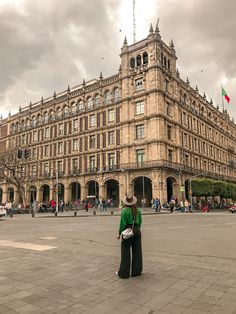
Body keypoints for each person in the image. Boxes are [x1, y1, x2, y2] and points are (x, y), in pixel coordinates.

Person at [116, 195, 142, 279]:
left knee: (125, 251)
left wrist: (119, 233)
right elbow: (140, 222)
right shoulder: (138, 210)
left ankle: (123, 273)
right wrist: (136, 230)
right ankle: (136, 271)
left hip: (128, 230)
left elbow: (122, 223)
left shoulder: (124, 210)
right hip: (137, 230)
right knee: (137, 251)